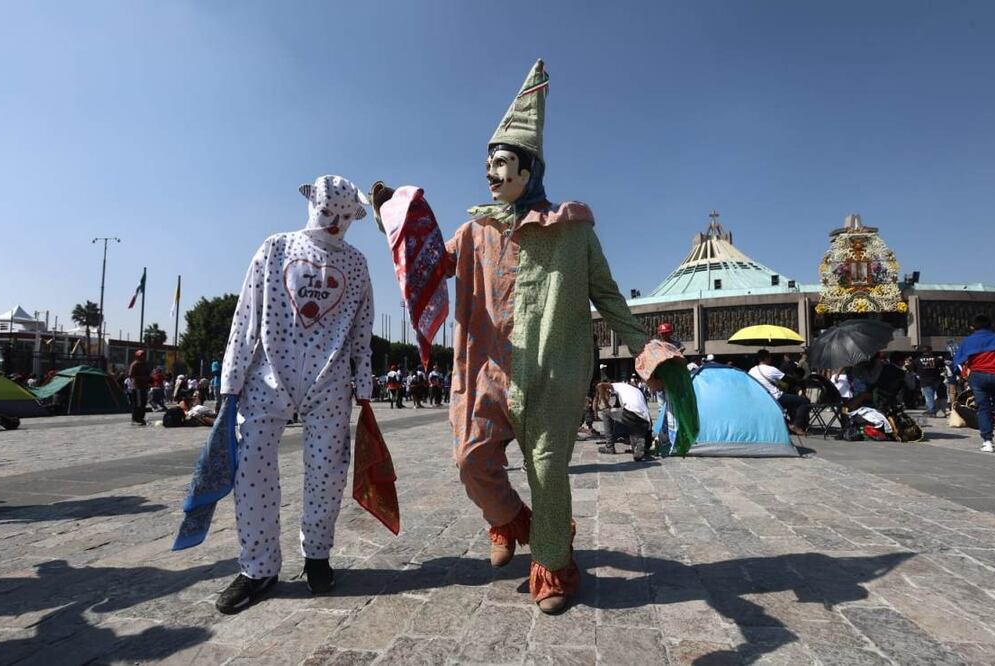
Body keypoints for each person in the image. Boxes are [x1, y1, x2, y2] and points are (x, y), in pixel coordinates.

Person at [371, 60, 692, 614]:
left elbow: (609, 297)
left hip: (552, 369)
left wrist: (650, 349)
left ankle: (554, 565)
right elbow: (428, 267)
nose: (491, 173)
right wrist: (398, 217)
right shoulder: (474, 231)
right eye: (487, 164)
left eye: (501, 162)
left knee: (547, 469)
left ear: (529, 167)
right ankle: (511, 521)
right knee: (471, 461)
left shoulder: (574, 232)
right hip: (485, 371)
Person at [212, 175, 375, 613]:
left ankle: (317, 554)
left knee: (327, 470)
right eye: (328, 214)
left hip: (329, 381)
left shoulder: (357, 264)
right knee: (251, 470)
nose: (335, 225)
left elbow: (362, 328)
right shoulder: (275, 248)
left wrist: (364, 382)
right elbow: (246, 314)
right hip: (268, 376)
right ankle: (258, 567)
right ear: (311, 206)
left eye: (345, 218)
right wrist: (231, 379)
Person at [953, 314, 995, 452]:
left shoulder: (968, 341)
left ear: (973, 327)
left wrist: (964, 375)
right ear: (991, 325)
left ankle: (987, 441)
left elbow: (958, 362)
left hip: (978, 376)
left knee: (983, 408)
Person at [749, 349, 810, 435]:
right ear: (767, 358)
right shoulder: (770, 369)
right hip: (775, 398)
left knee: (789, 401)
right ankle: (797, 425)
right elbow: (788, 380)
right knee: (803, 401)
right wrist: (801, 382)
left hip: (760, 399)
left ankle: (788, 424)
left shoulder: (751, 371)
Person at [595, 381, 653, 460]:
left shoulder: (616, 386)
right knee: (631, 425)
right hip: (644, 421)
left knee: (606, 412)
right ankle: (639, 447)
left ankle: (609, 447)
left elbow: (600, 385)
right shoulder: (635, 391)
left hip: (631, 414)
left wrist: (606, 403)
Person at [915, 346, 942, 416]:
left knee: (929, 396)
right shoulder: (936, 359)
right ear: (930, 351)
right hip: (935, 379)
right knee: (932, 395)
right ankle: (932, 409)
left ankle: (931, 410)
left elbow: (915, 368)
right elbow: (941, 366)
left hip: (925, 380)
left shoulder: (918, 359)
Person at [127, 350, 150, 426]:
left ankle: (141, 417)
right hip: (137, 387)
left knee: (143, 403)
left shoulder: (145, 364)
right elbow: (131, 375)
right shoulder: (135, 364)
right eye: (141, 355)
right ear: (137, 356)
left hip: (144, 387)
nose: (143, 356)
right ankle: (136, 418)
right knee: (138, 404)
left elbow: (148, 374)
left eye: (143, 355)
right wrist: (141, 378)